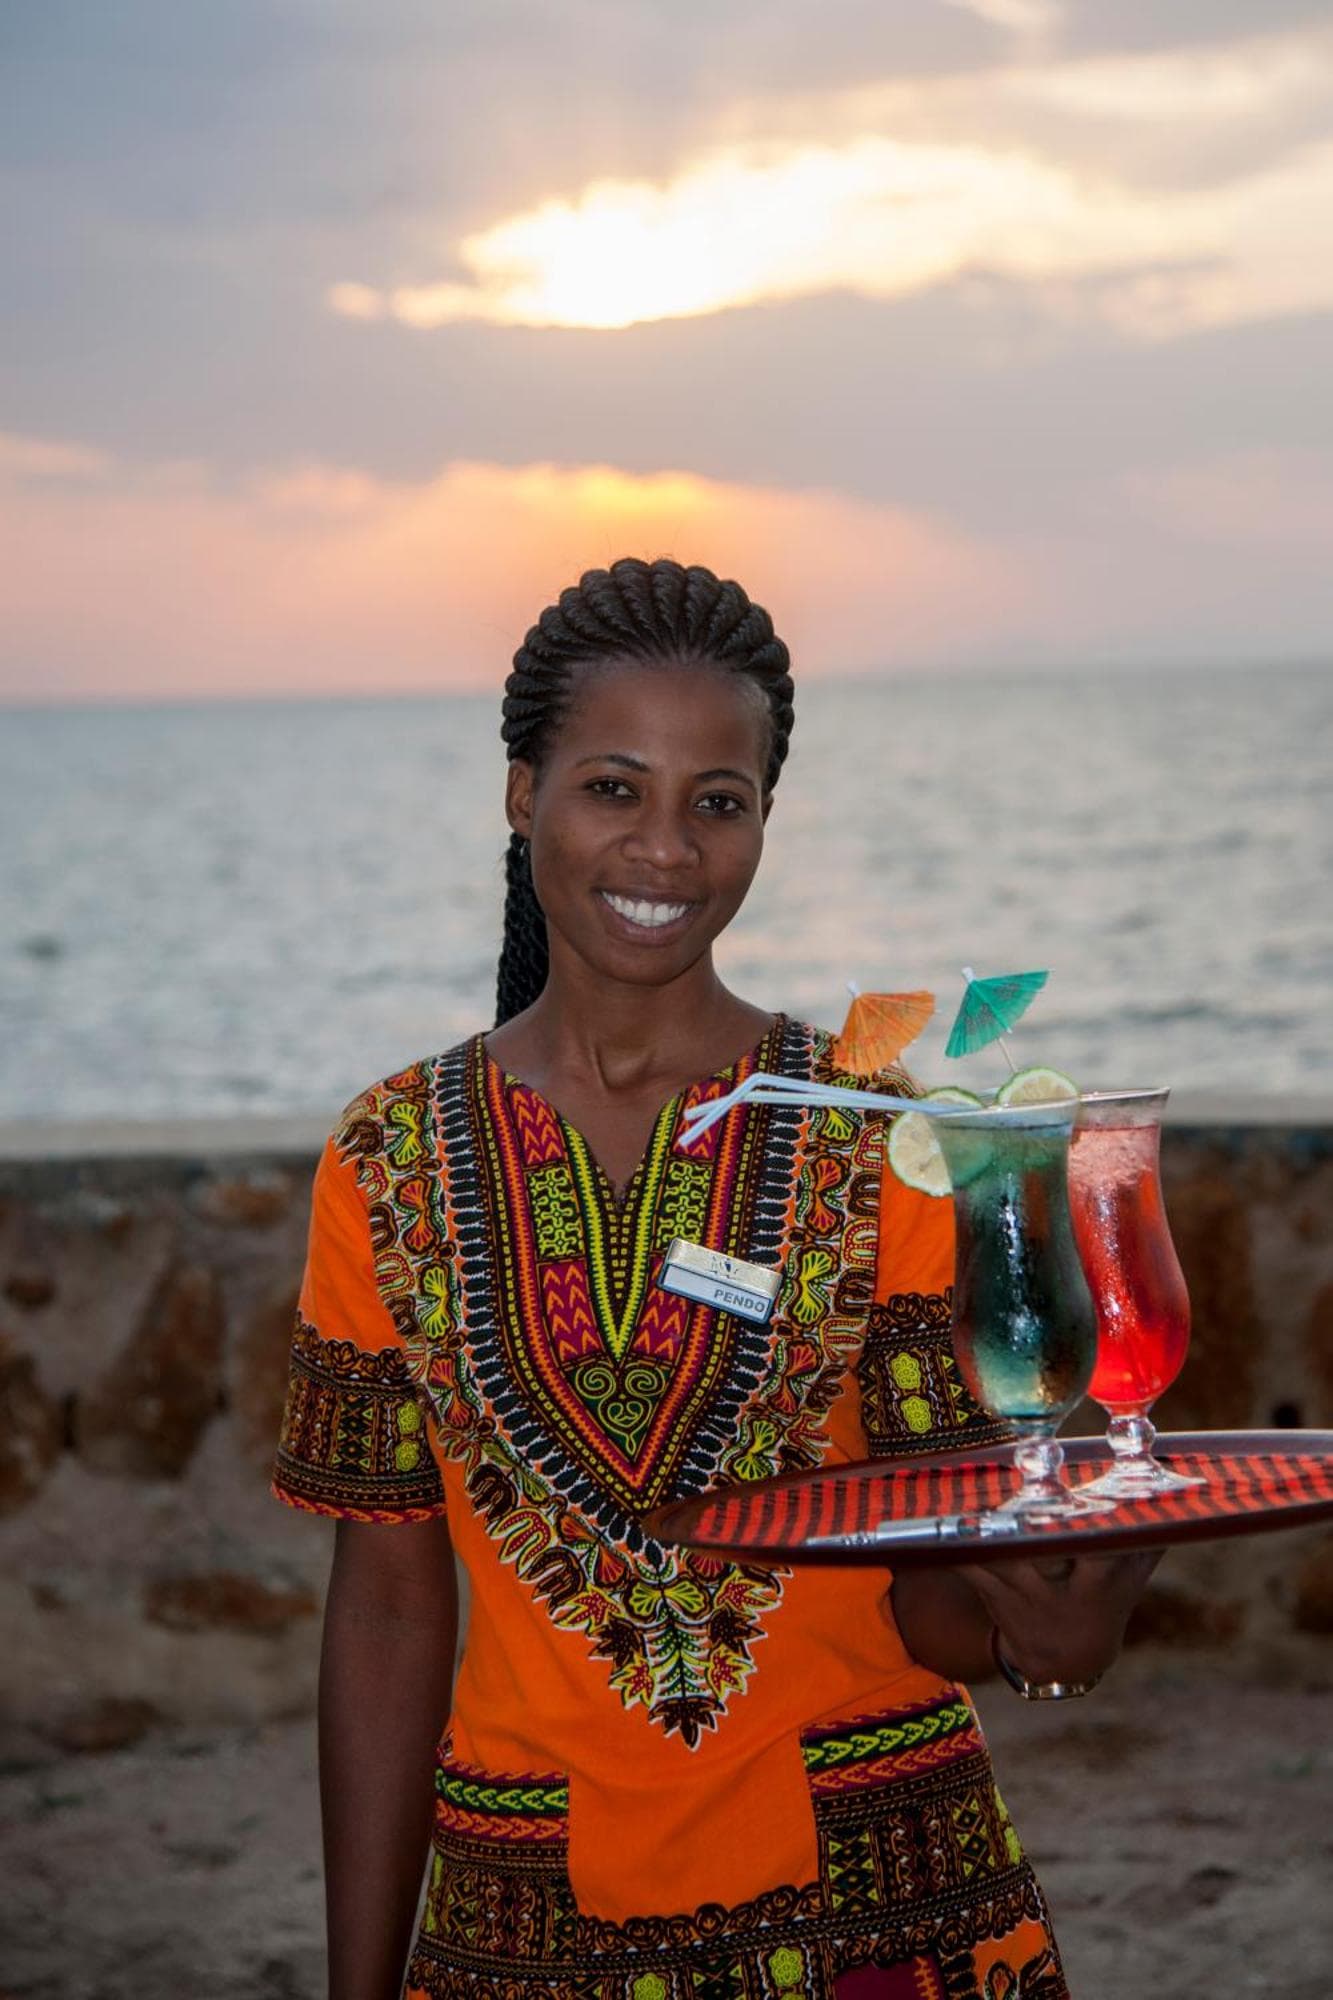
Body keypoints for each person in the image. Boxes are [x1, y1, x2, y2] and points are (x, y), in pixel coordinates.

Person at [273, 557, 1155, 1999]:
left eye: (718, 802)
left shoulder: (874, 1134)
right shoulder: (386, 1158)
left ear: (763, 821)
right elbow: (384, 1608)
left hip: (888, 1910)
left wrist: (1043, 1632)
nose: (666, 849)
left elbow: (928, 1583)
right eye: (613, 789)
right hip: (524, 1921)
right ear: (523, 794)